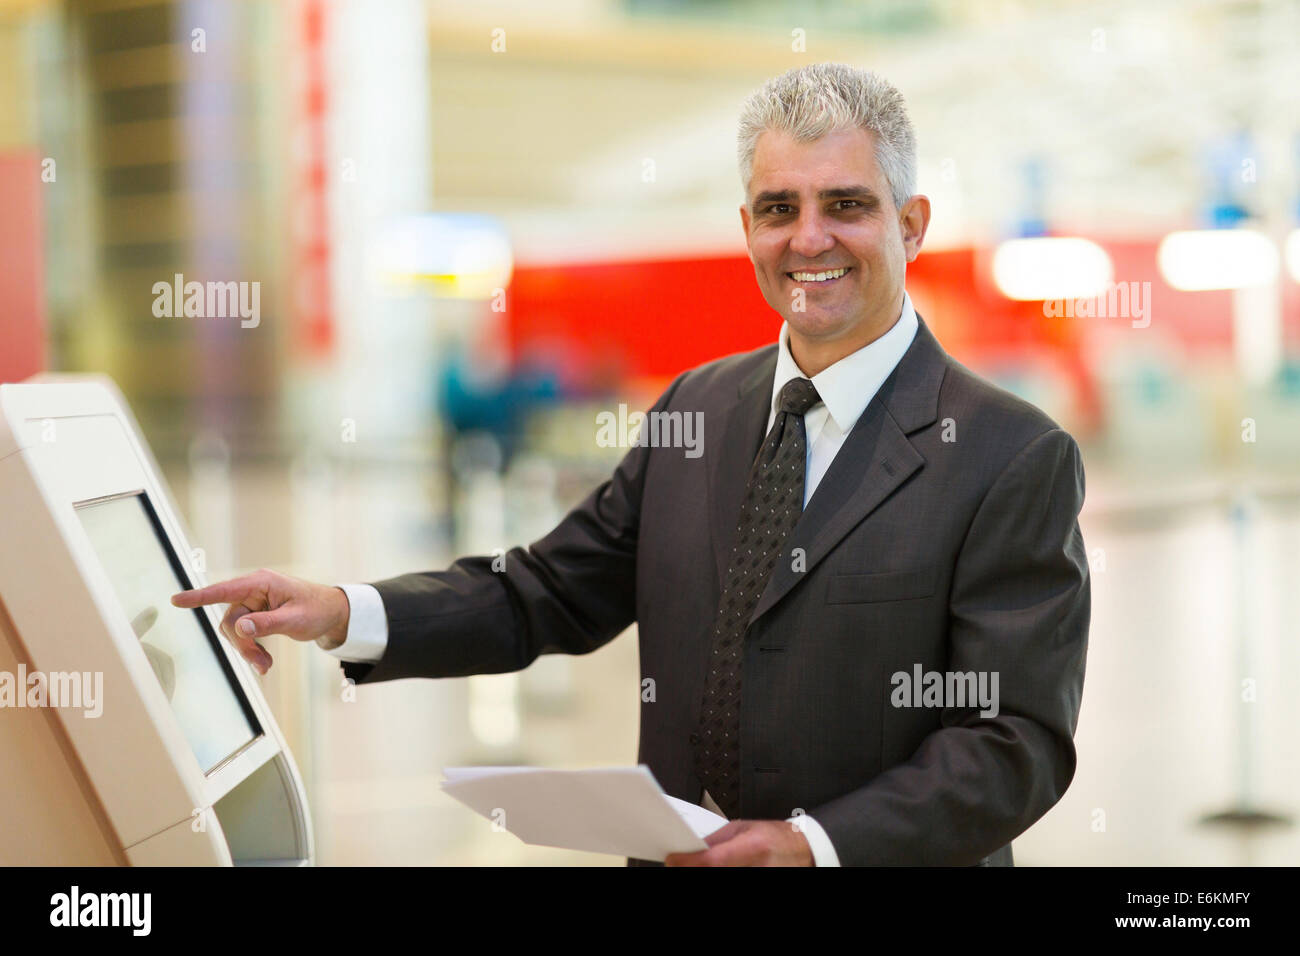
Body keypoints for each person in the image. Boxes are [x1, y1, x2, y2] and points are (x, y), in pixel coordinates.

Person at [173, 62, 1090, 867]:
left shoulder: (1011, 455)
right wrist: (342, 610)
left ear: (913, 222)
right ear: (747, 228)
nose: (808, 239)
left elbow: (1015, 742)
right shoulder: (699, 411)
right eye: (779, 209)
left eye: (845, 204)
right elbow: (547, 591)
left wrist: (815, 846)